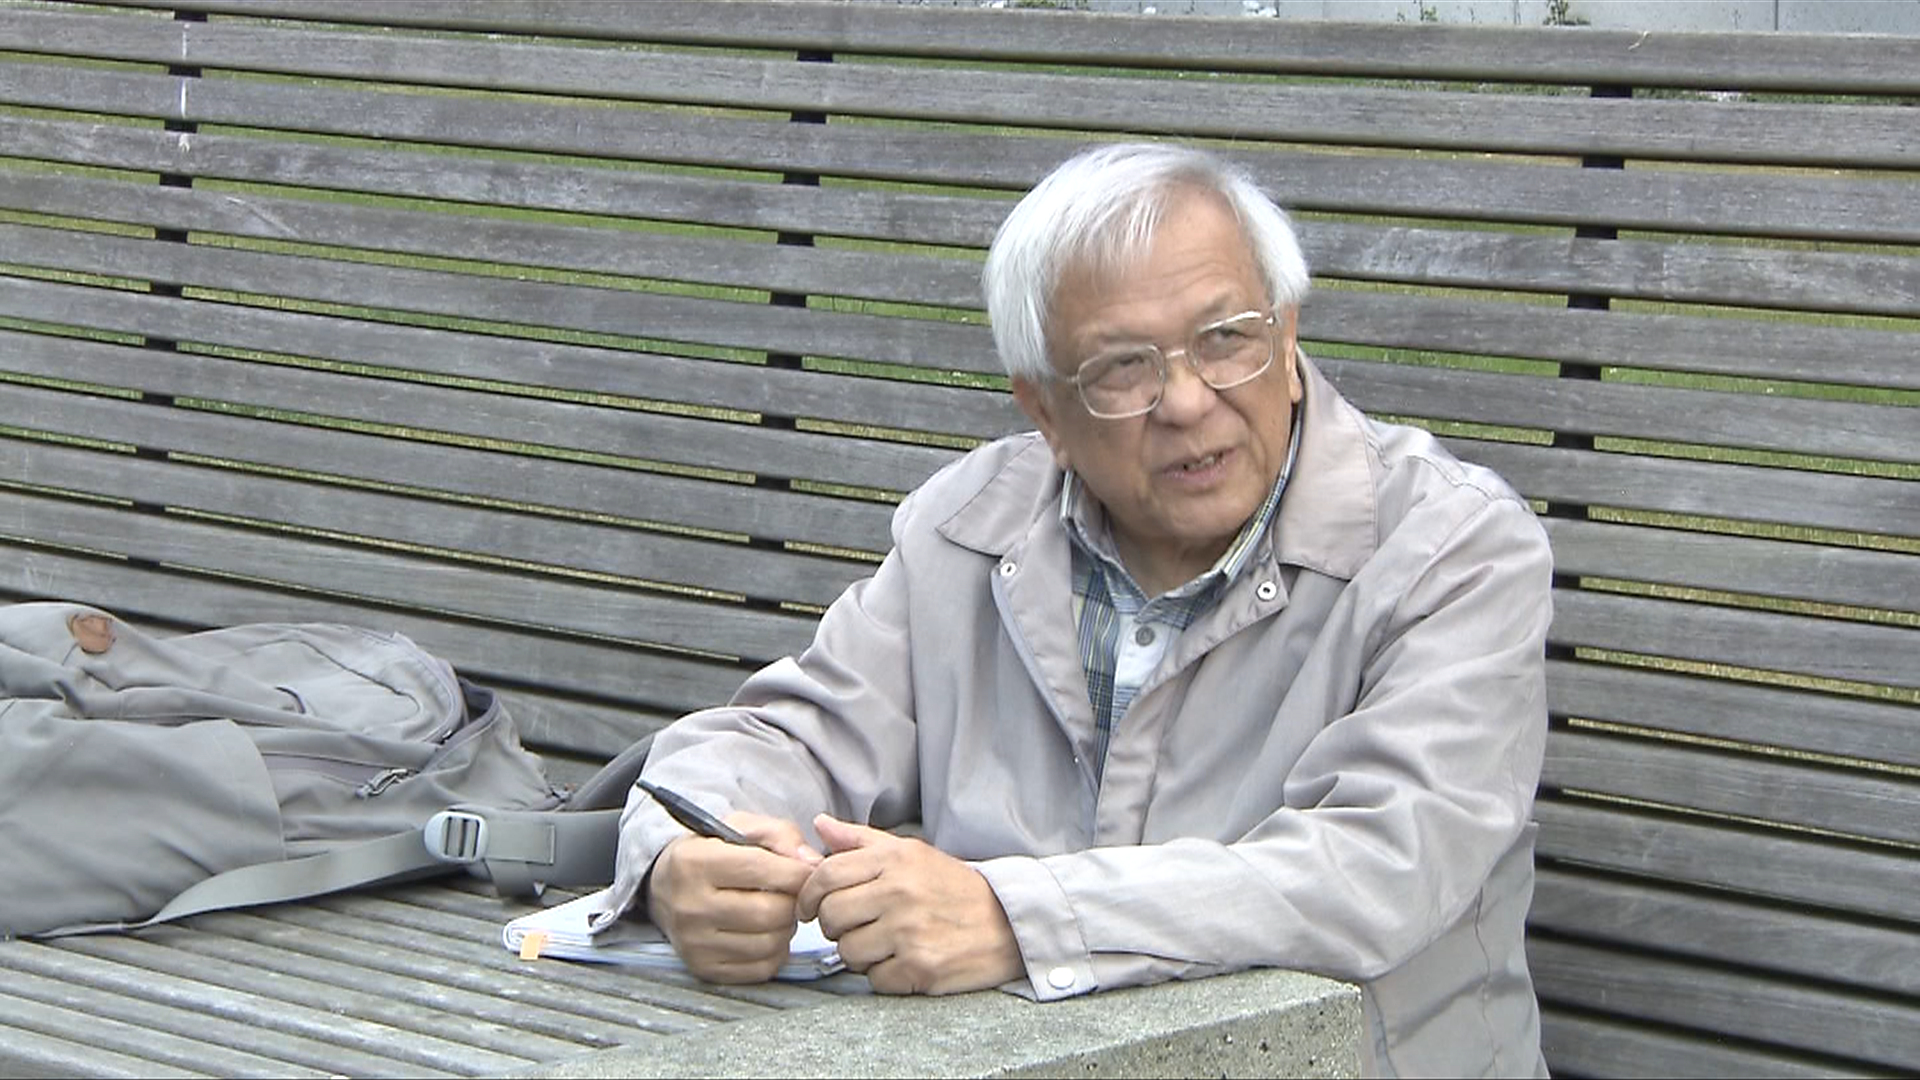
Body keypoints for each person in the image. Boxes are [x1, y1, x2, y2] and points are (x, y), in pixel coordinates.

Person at [601, 142, 1554, 1077]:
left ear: (1290, 336)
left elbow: (1376, 866)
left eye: (1227, 339)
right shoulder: (970, 529)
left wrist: (1013, 918)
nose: (1186, 401)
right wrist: (687, 854)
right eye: (1122, 372)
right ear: (1043, 411)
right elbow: (790, 736)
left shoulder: (1453, 548)